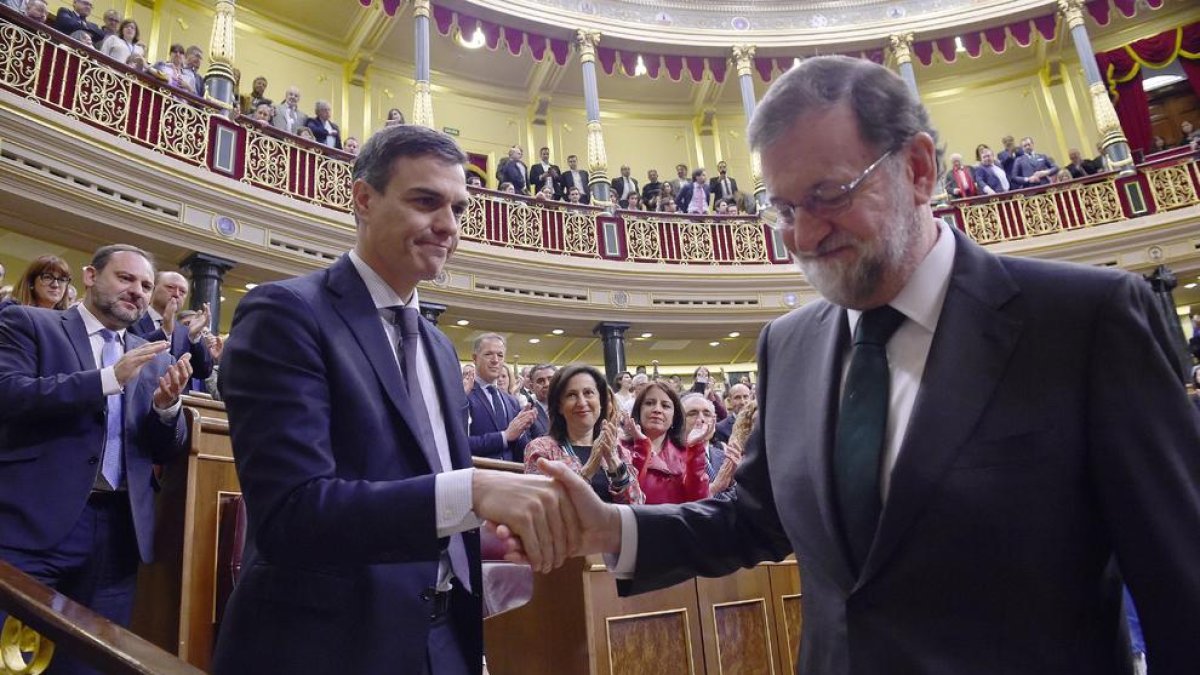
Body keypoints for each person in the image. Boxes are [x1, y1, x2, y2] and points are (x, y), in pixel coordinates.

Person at [533, 55, 1200, 674]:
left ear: (917, 167)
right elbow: (753, 518)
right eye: (785, 209)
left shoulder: (1084, 322)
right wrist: (610, 526)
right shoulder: (788, 346)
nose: (803, 235)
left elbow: (1181, 579)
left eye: (828, 194)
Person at [211, 125, 580, 675]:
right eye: (426, 201)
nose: (448, 226)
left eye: (458, 208)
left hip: (442, 641)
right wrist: (475, 491)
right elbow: (293, 514)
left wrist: (489, 542)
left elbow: (421, 499)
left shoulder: (434, 342)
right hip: (327, 646)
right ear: (363, 198)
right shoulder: (285, 313)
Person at [0, 244, 192, 675]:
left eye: (145, 285)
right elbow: (8, 395)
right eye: (126, 279)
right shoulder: (30, 322)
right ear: (90, 276)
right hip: (33, 525)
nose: (138, 292)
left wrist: (167, 409)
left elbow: (165, 448)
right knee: (12, 661)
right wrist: (107, 379)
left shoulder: (154, 354)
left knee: (91, 665)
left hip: (118, 536)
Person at [523, 364, 643, 504]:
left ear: (601, 402)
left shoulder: (616, 448)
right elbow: (543, 506)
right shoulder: (540, 450)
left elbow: (637, 504)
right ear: (560, 406)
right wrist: (588, 470)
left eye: (588, 393)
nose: (581, 402)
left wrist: (614, 463)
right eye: (571, 395)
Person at [620, 381, 710, 504]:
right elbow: (625, 499)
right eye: (649, 403)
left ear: (674, 417)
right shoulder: (621, 449)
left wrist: (695, 450)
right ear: (638, 411)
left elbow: (699, 501)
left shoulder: (687, 453)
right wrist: (642, 447)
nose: (657, 409)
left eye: (665, 406)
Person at [465, 334, 535, 463]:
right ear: (475, 358)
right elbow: (460, 445)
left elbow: (518, 449)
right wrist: (504, 436)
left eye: (500, 355)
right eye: (488, 354)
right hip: (477, 476)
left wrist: (522, 432)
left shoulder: (512, 401)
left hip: (511, 475)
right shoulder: (463, 396)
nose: (495, 360)